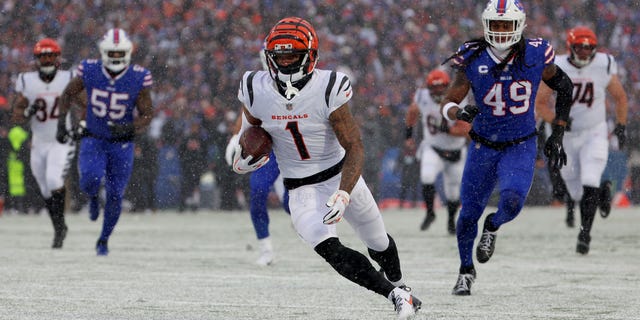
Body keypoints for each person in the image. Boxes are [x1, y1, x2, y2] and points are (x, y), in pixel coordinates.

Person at [231, 17, 421, 319]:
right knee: (328, 248)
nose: (284, 63)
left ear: (310, 56)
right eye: (279, 57)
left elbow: (355, 146)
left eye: (292, 56)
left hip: (340, 175)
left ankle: (401, 285)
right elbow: (251, 130)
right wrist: (244, 155)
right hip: (301, 188)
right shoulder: (254, 88)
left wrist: (344, 193)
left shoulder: (328, 86)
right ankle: (395, 295)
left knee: (378, 241)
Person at [440, 0, 573, 296]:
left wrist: (559, 131)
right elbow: (448, 102)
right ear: (486, 26)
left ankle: (494, 224)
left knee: (512, 201)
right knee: (467, 214)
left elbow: (565, 87)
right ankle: (465, 270)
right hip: (483, 145)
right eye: (495, 25)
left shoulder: (537, 52)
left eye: (506, 25)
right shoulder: (472, 55)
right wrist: (458, 113)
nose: (500, 32)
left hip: (520, 144)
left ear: (519, 26)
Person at [56, 28, 154, 256]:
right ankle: (91, 197)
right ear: (103, 52)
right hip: (94, 137)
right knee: (88, 180)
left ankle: (104, 239)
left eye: (120, 53)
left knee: (115, 195)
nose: (116, 57)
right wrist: (62, 124)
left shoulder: (138, 76)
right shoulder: (89, 69)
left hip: (122, 143)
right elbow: (67, 94)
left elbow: (148, 114)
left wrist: (128, 127)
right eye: (112, 53)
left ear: (128, 52)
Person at [535, 26, 628, 255]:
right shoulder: (557, 66)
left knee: (589, 179)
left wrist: (621, 125)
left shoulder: (604, 63)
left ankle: (585, 234)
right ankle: (603, 193)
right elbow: (540, 104)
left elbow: (620, 97)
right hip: (566, 136)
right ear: (570, 47)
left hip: (594, 131)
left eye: (589, 47)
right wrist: (559, 122)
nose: (585, 52)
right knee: (575, 191)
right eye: (580, 47)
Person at [10, 38, 74, 248]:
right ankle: (59, 227)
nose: (46, 59)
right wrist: (28, 112)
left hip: (60, 139)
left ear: (57, 58)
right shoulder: (27, 81)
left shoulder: (68, 78)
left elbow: (84, 103)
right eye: (43, 55)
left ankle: (60, 228)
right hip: (39, 141)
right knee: (45, 188)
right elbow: (17, 114)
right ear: (37, 59)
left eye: (50, 55)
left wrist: (81, 123)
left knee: (54, 179)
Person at [404, 69, 470, 235]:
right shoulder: (422, 95)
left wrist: (447, 130)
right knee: (427, 177)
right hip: (433, 147)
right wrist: (409, 135)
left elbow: (466, 130)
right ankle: (430, 212)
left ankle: (450, 220)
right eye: (434, 88)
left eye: (441, 88)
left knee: (453, 193)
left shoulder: (459, 98)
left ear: (448, 86)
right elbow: (412, 112)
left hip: (455, 151)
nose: (438, 92)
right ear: (428, 88)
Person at [226, 115, 290, 266]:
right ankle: (266, 250)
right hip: (270, 149)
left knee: (291, 205)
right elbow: (246, 109)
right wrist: (236, 137)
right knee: (257, 190)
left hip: (295, 149)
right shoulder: (260, 91)